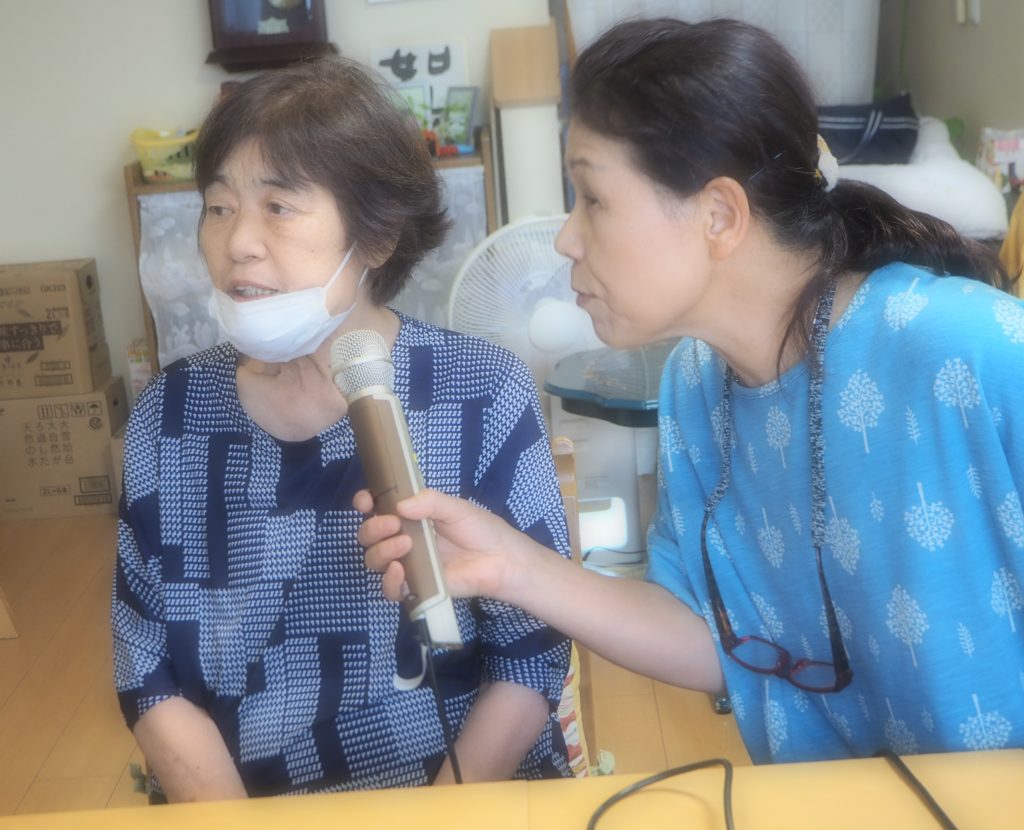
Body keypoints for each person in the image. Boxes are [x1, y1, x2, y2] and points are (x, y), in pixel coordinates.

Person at [360, 17, 1024, 765]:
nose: (565, 238)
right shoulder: (695, 385)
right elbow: (714, 637)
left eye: (592, 198)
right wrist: (512, 566)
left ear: (719, 215)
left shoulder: (971, 350)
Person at [111, 58, 573, 801]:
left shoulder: (480, 390)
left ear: (377, 236)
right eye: (219, 207)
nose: (238, 243)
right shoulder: (170, 413)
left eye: (278, 206)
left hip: (461, 798)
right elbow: (146, 668)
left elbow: (529, 658)